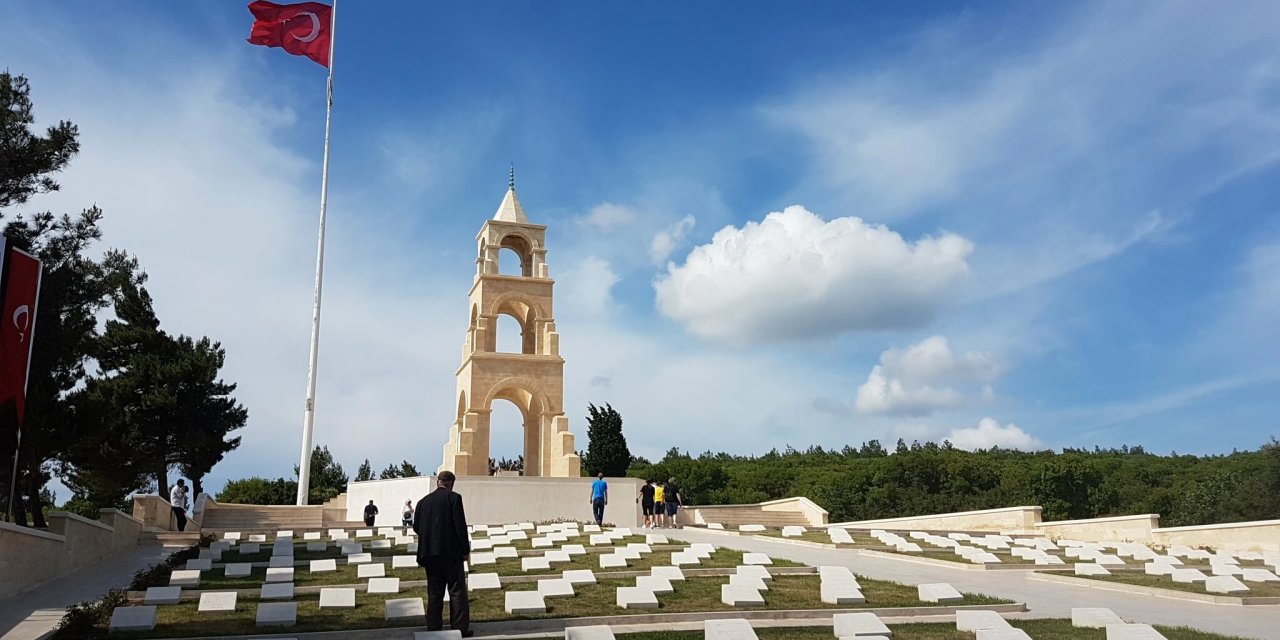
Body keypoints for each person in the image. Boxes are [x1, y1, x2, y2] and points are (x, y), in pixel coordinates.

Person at [414, 471, 471, 636]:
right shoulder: (454, 498)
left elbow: (417, 527)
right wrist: (465, 550)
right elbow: (459, 526)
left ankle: (433, 628)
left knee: (434, 592)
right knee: (457, 591)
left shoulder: (423, 502)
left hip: (428, 554)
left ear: (438, 482)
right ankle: (460, 628)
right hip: (450, 552)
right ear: (451, 483)